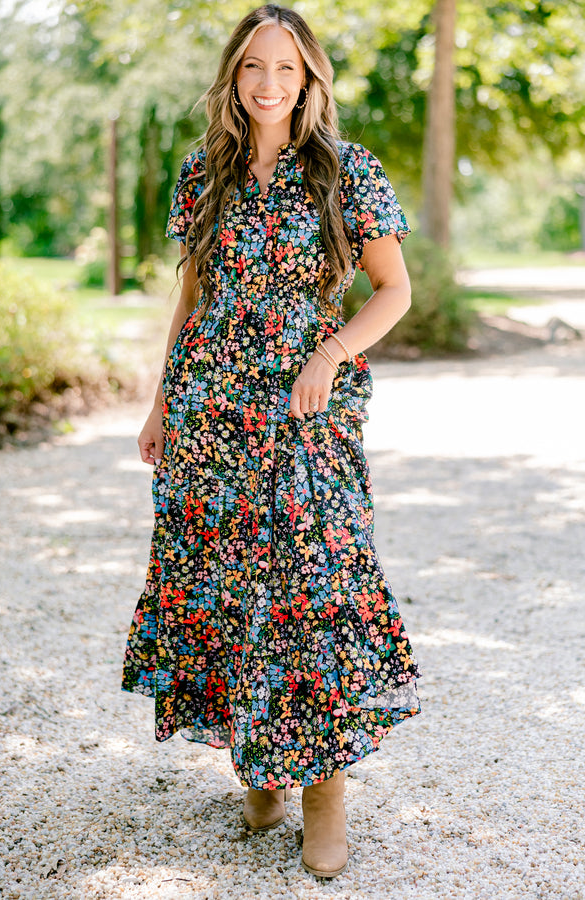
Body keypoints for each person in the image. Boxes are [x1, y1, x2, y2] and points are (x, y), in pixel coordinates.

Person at [121, 3, 421, 879]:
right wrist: (160, 403)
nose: (269, 82)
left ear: (309, 79)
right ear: (234, 75)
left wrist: (329, 355)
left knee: (313, 587)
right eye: (254, 65)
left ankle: (324, 792)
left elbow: (393, 290)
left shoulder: (346, 170)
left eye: (286, 67)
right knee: (223, 583)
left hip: (303, 410)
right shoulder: (201, 172)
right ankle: (257, 766)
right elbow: (191, 298)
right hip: (210, 411)